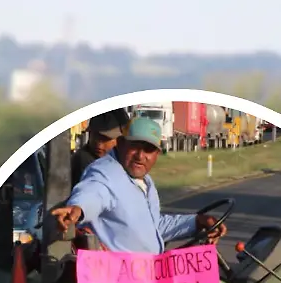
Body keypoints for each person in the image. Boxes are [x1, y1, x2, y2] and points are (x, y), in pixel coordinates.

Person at [51, 116, 226, 254]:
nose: (140, 156)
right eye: (134, 146)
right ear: (120, 144)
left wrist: (196, 222)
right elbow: (94, 192)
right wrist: (78, 208)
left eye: (148, 150)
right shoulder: (106, 172)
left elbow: (153, 227)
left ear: (157, 153)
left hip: (146, 278)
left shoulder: (145, 183)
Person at [70, 109, 128, 183]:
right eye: (95, 135)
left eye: (105, 139)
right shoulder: (85, 162)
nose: (99, 144)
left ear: (121, 140)